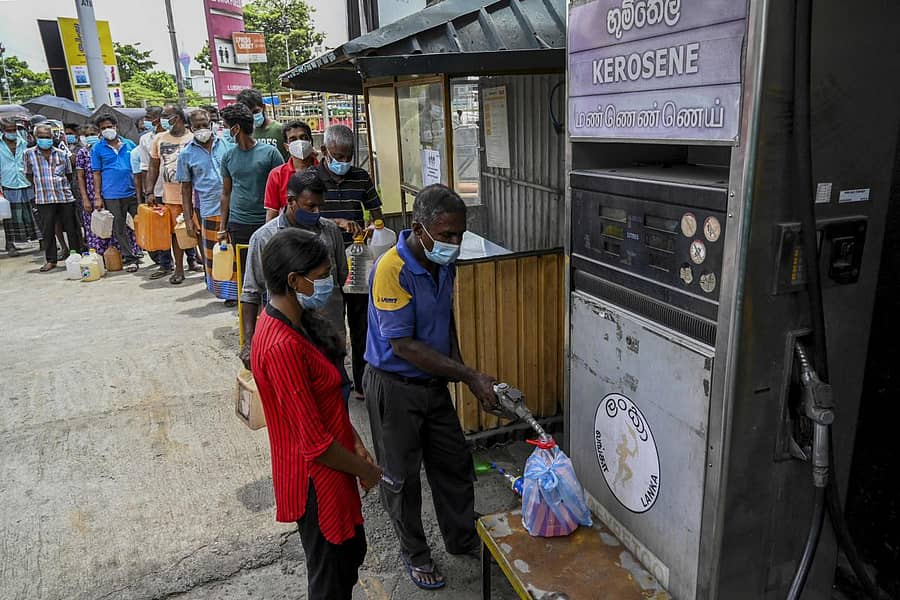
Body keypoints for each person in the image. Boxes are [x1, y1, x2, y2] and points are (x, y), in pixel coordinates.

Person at [363, 185, 501, 590]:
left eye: (459, 235)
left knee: (454, 463)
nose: (454, 244)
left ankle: (461, 538)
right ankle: (415, 552)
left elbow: (445, 324)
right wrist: (470, 376)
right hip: (395, 386)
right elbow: (404, 345)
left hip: (433, 383)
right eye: (446, 236)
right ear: (417, 228)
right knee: (401, 479)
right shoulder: (392, 268)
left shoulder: (444, 263)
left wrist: (460, 372)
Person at [251, 227, 381, 600]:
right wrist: (368, 471)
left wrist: (354, 441)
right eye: (322, 277)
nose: (329, 283)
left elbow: (325, 400)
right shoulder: (281, 345)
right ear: (294, 280)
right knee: (330, 579)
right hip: (316, 479)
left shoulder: (296, 324)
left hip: (334, 467)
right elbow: (315, 444)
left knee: (349, 555)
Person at [240, 170, 348, 395]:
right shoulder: (264, 239)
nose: (317, 212)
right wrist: (249, 343)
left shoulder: (330, 232)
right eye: (310, 207)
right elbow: (250, 293)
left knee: (337, 398)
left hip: (329, 338)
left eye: (320, 207)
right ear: (290, 201)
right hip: (290, 340)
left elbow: (340, 279)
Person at [319, 124, 384, 400]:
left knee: (361, 324)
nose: (343, 163)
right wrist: (337, 223)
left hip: (357, 260)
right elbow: (300, 221)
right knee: (328, 326)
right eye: (338, 156)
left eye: (348, 157)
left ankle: (361, 383)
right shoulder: (310, 180)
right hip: (323, 263)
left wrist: (372, 226)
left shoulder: (361, 177)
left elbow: (376, 214)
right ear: (324, 151)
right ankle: (331, 382)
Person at [175, 108, 238, 305]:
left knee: (236, 252)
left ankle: (242, 289)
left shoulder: (227, 145)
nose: (202, 129)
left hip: (235, 206)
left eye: (205, 125)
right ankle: (227, 293)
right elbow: (185, 189)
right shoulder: (186, 154)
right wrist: (188, 219)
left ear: (211, 124)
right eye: (197, 126)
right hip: (209, 209)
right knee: (217, 254)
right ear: (190, 128)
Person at [217, 102, 283, 275]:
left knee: (272, 270)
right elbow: (226, 193)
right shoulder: (228, 156)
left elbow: (282, 189)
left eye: (225, 126)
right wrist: (222, 227)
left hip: (267, 221)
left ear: (236, 128)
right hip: (239, 223)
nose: (223, 130)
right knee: (246, 272)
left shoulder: (270, 153)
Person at [148, 104, 201, 285]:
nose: (162, 119)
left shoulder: (194, 137)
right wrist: (149, 191)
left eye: (165, 115)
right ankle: (179, 268)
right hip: (170, 195)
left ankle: (206, 268)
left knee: (199, 230)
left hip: (196, 193)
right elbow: (153, 166)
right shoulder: (159, 139)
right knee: (175, 233)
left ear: (177, 117)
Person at [25, 123, 83, 271]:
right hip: (44, 198)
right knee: (48, 230)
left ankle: (76, 256)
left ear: (52, 138)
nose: (45, 139)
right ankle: (51, 260)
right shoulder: (29, 154)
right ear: (36, 137)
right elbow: (29, 175)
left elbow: (69, 175)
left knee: (72, 228)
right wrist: (41, 185)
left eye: (48, 137)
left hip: (64, 196)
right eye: (42, 137)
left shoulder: (61, 153)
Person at [90, 113, 141, 272]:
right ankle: (130, 257)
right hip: (111, 193)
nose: (107, 130)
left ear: (116, 127)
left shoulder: (130, 144)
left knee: (140, 223)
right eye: (103, 128)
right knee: (119, 228)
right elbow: (96, 173)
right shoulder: (97, 148)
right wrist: (97, 196)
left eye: (109, 126)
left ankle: (152, 252)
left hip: (133, 191)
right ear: (99, 131)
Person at [137, 106, 174, 278]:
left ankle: (191, 259)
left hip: (175, 190)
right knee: (162, 229)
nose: (146, 120)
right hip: (158, 190)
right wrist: (148, 191)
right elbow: (146, 167)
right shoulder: (145, 139)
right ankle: (165, 264)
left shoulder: (174, 136)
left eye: (150, 117)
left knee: (181, 226)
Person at [264, 120, 317, 222]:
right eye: (293, 139)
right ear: (286, 147)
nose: (299, 142)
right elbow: (272, 215)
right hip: (290, 234)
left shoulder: (323, 171)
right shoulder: (277, 175)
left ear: (311, 141)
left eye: (303, 137)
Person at [0, 117, 39, 256]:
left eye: (14, 130)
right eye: (8, 130)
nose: (12, 132)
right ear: (3, 131)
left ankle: (42, 241)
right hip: (8, 184)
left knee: (34, 213)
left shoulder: (24, 143)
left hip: (26, 181)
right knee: (10, 216)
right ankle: (10, 245)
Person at [236, 88, 288, 160]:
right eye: (248, 113)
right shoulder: (245, 134)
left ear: (264, 107)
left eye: (255, 111)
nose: (253, 116)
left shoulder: (280, 129)